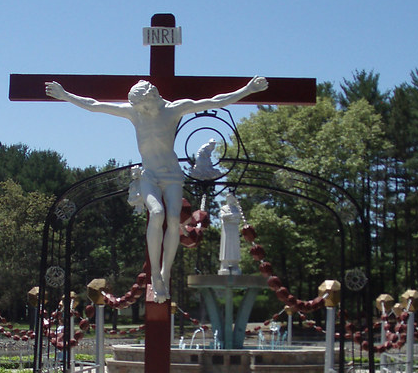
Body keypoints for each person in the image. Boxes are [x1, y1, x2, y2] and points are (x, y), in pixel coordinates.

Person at [45, 75, 268, 301]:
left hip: (171, 175)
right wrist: (65, 96)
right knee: (157, 213)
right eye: (138, 106)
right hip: (149, 175)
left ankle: (165, 271)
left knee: (173, 220)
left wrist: (248, 89)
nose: (141, 109)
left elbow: (214, 101)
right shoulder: (135, 113)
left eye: (144, 105)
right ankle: (155, 273)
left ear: (153, 97)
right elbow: (95, 105)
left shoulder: (174, 110)